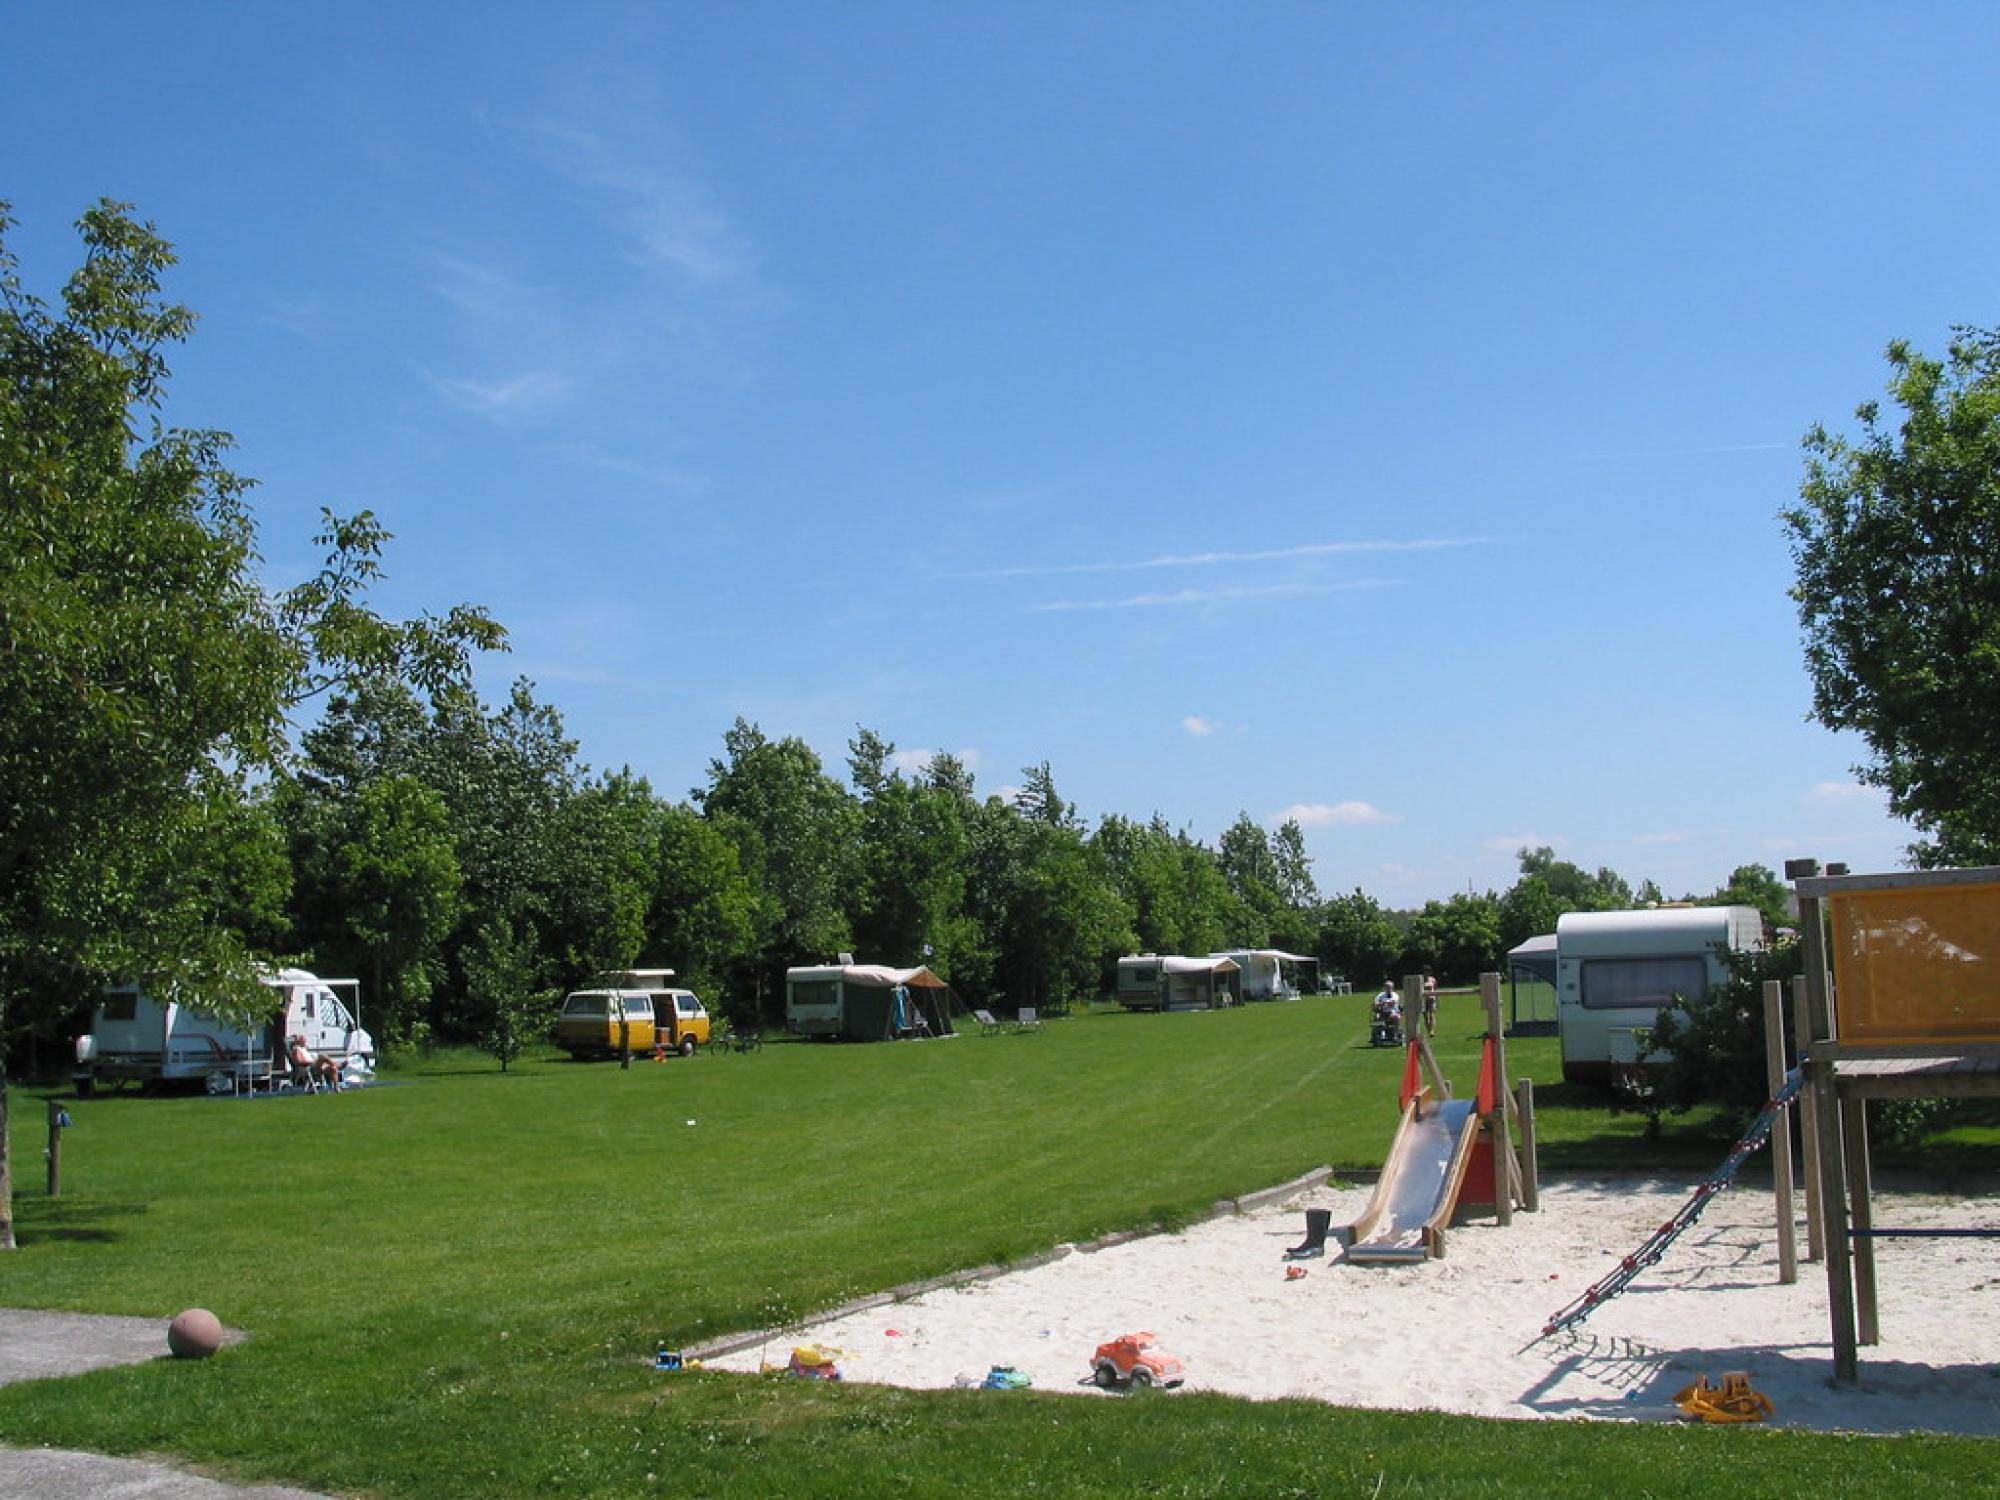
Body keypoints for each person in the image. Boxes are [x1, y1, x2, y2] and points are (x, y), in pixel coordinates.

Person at [1421, 971, 1439, 1038]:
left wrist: (1436, 998)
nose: (1426, 974)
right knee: (1425, 1016)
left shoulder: (1433, 980)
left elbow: (1435, 989)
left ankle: (1432, 1030)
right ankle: (1428, 1029)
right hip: (1423, 999)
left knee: (1432, 1014)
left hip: (1431, 998)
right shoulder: (1421, 980)